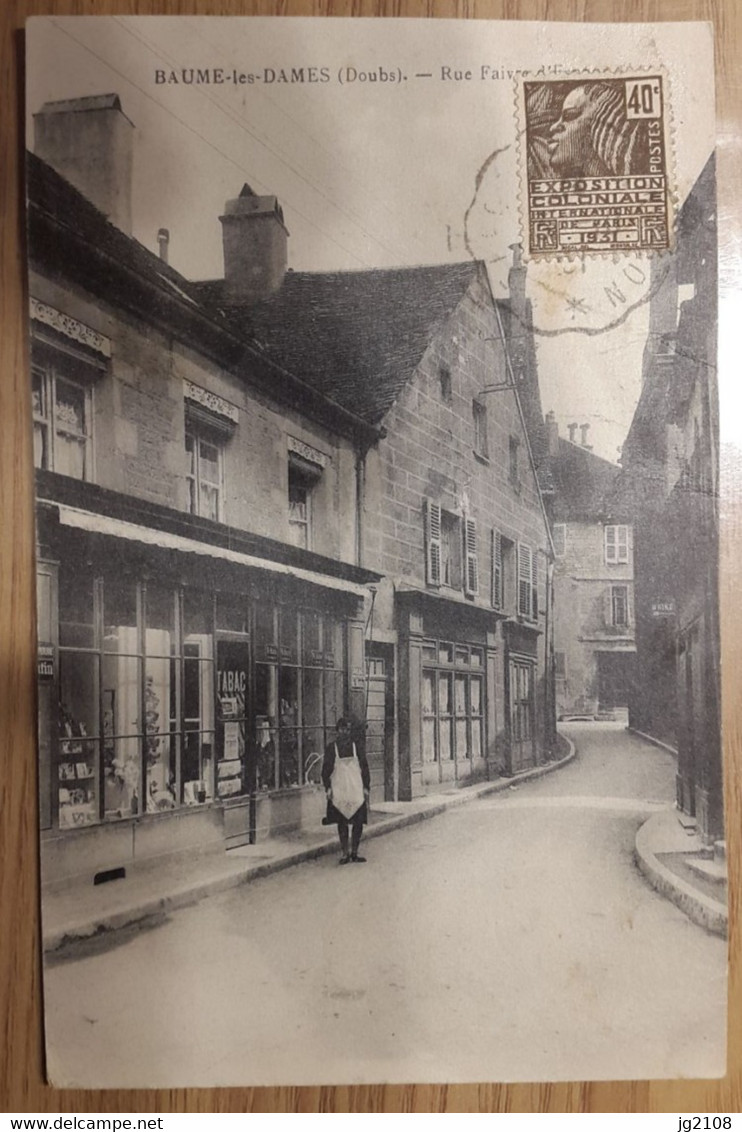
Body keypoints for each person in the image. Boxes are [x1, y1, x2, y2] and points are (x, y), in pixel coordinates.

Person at [322, 717, 370, 865]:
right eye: (342, 729)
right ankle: (345, 853)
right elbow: (325, 771)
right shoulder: (332, 748)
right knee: (342, 822)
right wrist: (328, 788)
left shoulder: (357, 747)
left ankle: (355, 852)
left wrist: (366, 787)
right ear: (337, 731)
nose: (345, 733)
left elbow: (365, 768)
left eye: (348, 729)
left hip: (355, 789)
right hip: (340, 790)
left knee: (358, 822)